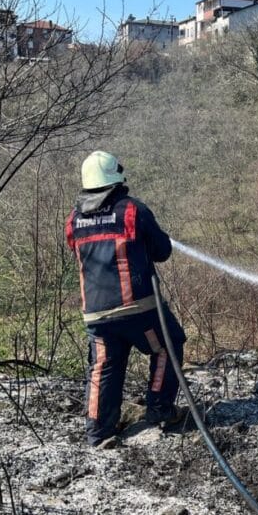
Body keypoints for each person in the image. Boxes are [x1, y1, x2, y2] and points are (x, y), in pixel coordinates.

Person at [65, 150, 187, 446]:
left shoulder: (73, 219)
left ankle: (98, 432)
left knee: (103, 367)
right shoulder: (133, 210)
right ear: (116, 178)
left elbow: (78, 251)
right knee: (168, 346)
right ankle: (159, 408)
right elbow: (162, 251)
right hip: (137, 307)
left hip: (96, 314)